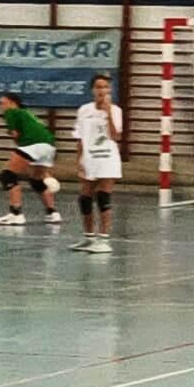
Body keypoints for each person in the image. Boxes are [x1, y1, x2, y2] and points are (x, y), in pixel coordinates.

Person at [71, 74, 124, 254]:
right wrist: (79, 160)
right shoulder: (84, 110)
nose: (102, 90)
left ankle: (104, 239)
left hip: (107, 158)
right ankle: (89, 237)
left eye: (105, 87)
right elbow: (80, 138)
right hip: (90, 158)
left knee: (103, 195)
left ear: (110, 90)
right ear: (92, 90)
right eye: (98, 87)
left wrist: (107, 113)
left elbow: (115, 136)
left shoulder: (115, 110)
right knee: (85, 198)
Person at [0, 93, 61, 227]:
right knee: (36, 180)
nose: (0, 106)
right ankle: (52, 213)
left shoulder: (11, 112)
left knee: (7, 175)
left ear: (12, 103)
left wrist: (14, 139)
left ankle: (15, 214)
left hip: (32, 144)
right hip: (49, 145)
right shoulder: (27, 113)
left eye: (3, 103)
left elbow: (15, 134)